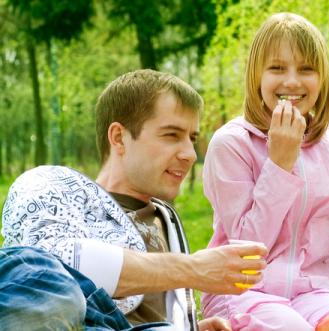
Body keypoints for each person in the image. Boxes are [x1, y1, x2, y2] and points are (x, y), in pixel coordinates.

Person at [1, 69, 269, 331]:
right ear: (119, 138)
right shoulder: (51, 186)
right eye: (171, 135)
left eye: (192, 138)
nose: (189, 153)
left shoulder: (166, 221)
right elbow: (48, 268)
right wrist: (194, 269)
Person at [200, 13, 329, 331]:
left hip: (316, 292)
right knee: (287, 326)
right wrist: (279, 164)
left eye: (306, 69)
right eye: (277, 68)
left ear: (322, 78)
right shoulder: (231, 143)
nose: (292, 81)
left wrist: (325, 279)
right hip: (242, 290)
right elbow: (245, 248)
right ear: (257, 76)